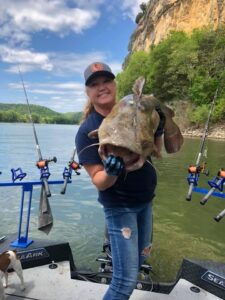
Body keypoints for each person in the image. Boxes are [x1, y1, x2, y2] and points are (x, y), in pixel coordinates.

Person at [75, 62, 164, 300]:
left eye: (106, 81)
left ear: (114, 85)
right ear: (88, 92)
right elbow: (99, 181)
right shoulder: (87, 131)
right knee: (124, 282)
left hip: (145, 201)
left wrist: (160, 129)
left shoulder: (136, 112)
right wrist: (112, 171)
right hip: (120, 206)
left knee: (141, 259)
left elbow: (159, 151)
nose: (101, 87)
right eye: (94, 84)